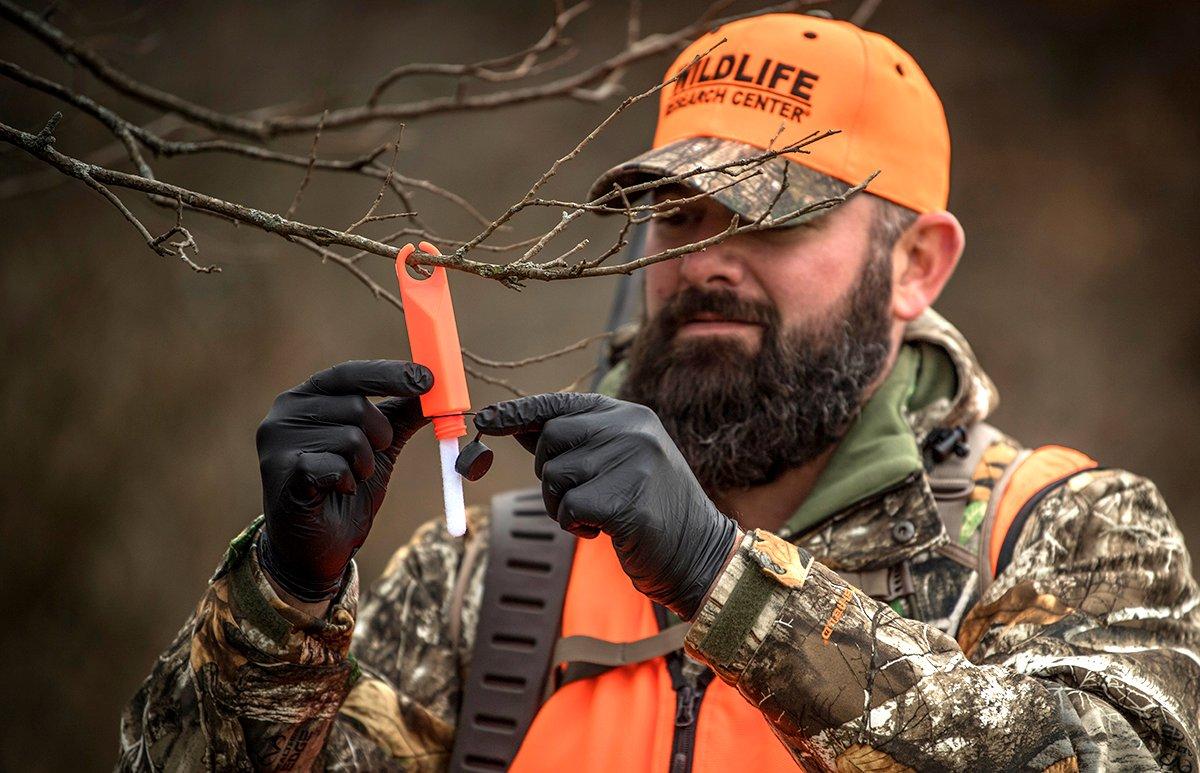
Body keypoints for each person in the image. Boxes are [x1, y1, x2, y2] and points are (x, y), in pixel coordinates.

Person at [119, 12, 1200, 772]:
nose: (708, 258)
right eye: (677, 213)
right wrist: (282, 602)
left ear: (918, 262)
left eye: (771, 216)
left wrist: (722, 578)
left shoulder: (1062, 531)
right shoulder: (495, 569)